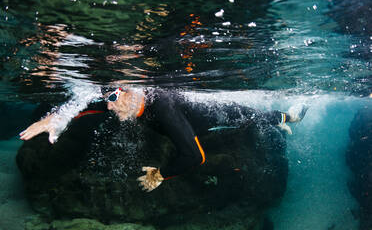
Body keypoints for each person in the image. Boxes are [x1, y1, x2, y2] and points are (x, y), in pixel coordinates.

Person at [19, 87, 307, 192]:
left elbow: (195, 157)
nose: (108, 105)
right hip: (192, 125)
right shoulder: (124, 100)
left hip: (217, 115)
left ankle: (287, 118)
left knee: (252, 116)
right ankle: (279, 121)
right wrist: (56, 117)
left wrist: (160, 175)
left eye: (113, 97)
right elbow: (87, 105)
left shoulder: (163, 107)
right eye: (107, 96)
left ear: (131, 91)